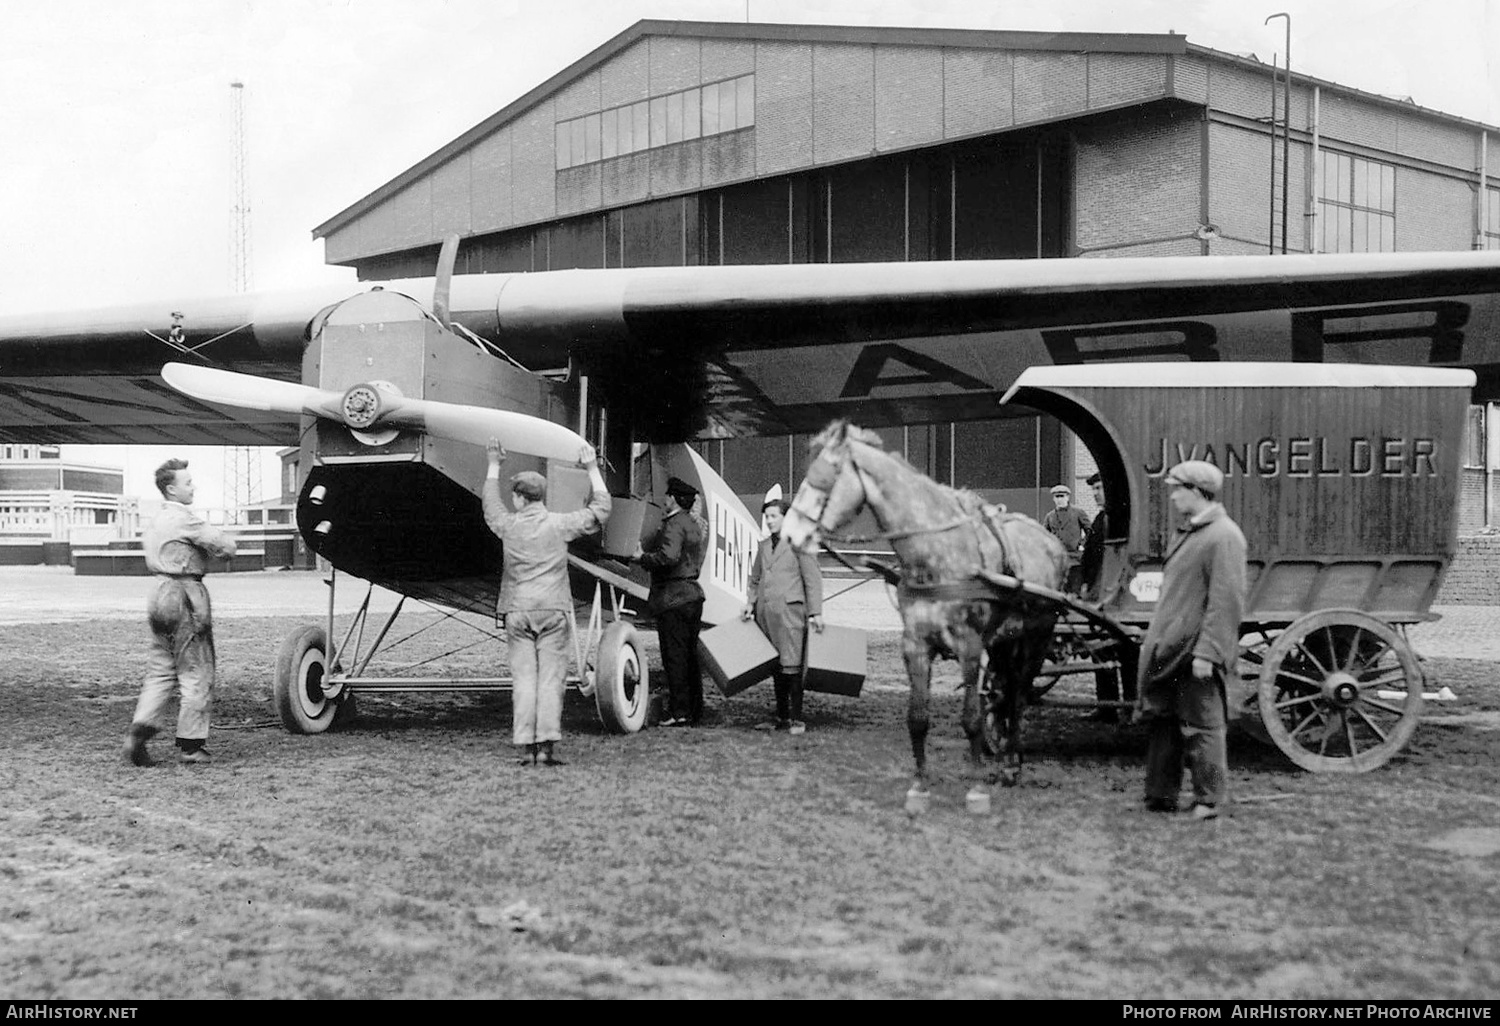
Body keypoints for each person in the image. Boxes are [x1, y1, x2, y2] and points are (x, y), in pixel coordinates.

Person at [482, 438, 611, 767]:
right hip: (552, 609)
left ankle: (527, 747)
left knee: (524, 681)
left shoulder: (508, 526)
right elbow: (601, 510)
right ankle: (546, 749)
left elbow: (489, 506)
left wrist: (494, 465)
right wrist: (593, 469)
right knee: (551, 680)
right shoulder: (559, 524)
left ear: (520, 498)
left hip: (517, 609)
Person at [1136, 460, 1246, 822]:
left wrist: (1208, 653)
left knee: (1203, 725)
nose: (1173, 496)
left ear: (1198, 492)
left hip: (1194, 651)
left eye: (1178, 489)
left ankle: (1208, 802)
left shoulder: (1224, 536)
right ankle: (1160, 795)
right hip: (1169, 648)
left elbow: (1225, 601)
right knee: (1163, 720)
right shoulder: (1190, 532)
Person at [122, 458, 238, 767]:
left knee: (161, 667)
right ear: (172, 489)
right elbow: (226, 546)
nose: (193, 487)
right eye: (188, 483)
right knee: (196, 669)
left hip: (158, 593)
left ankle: (140, 729)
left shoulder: (155, 519)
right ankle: (191, 745)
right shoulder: (184, 519)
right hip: (186, 594)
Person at [742, 497, 824, 734]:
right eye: (766, 517)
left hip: (791, 614)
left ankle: (796, 718)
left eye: (773, 516)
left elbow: (813, 579)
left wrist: (816, 612)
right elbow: (755, 578)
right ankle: (781, 716)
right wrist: (750, 602)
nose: (769, 521)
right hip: (767, 615)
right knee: (776, 666)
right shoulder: (764, 545)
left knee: (793, 666)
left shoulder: (801, 544)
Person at [634, 476, 707, 726]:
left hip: (672, 598)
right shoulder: (693, 524)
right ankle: (694, 709)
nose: (664, 500)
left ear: (674, 499)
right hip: (693, 596)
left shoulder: (673, 524)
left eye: (667, 496)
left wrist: (642, 557)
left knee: (674, 656)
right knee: (689, 656)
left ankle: (679, 712)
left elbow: (668, 557)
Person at [1079, 471, 1136, 723]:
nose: (1095, 493)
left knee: (1125, 651)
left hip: (1114, 595)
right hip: (1097, 593)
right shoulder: (1101, 518)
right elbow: (1090, 559)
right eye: (1093, 489)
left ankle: (1130, 704)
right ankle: (1107, 706)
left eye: (1099, 488)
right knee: (1100, 650)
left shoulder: (1118, 520)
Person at [1043, 483, 1091, 595]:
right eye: (1057, 496)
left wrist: (1082, 544)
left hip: (1075, 558)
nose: (1060, 499)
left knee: (1075, 592)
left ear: (1068, 497)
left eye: (1062, 496)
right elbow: (1044, 535)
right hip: (1057, 560)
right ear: (1053, 499)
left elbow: (1090, 530)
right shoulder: (1050, 516)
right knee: (1058, 592)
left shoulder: (1078, 512)